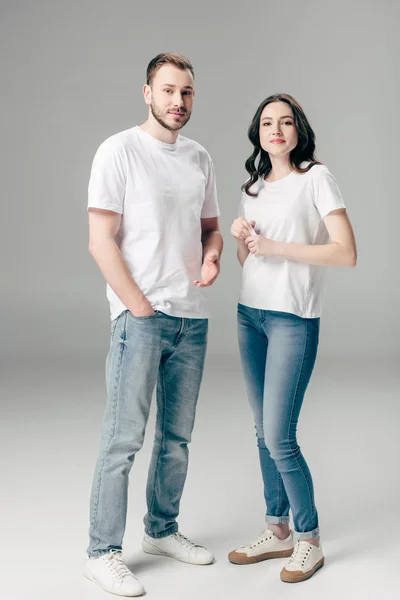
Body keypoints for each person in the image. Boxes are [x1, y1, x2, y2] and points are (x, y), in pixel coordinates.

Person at [84, 52, 222, 597]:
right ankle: (102, 551)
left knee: (177, 438)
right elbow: (100, 241)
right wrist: (138, 305)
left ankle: (161, 530)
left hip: (192, 318)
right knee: (122, 439)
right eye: (167, 91)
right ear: (147, 93)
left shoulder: (199, 157)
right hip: (140, 317)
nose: (177, 102)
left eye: (186, 92)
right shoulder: (118, 151)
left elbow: (211, 229)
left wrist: (212, 257)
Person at [229, 94, 357, 583]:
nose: (276, 129)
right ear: (257, 133)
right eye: (267, 122)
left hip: (292, 319)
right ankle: (277, 529)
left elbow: (346, 253)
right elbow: (249, 261)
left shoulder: (317, 178)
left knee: (280, 435)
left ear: (298, 129)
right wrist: (244, 239)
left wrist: (276, 246)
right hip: (250, 315)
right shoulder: (254, 186)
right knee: (263, 432)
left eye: (285, 122)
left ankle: (309, 540)